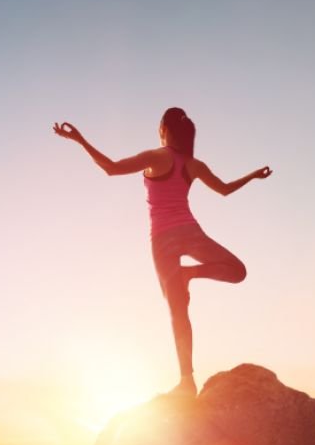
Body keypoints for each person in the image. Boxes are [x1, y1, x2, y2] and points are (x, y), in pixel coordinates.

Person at [53, 107, 272, 397]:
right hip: (190, 233)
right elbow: (225, 190)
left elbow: (111, 168)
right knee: (237, 271)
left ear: (164, 129)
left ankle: (186, 380)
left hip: (163, 240)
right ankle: (190, 275)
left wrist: (80, 140)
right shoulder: (193, 164)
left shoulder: (156, 156)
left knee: (178, 311)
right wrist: (253, 176)